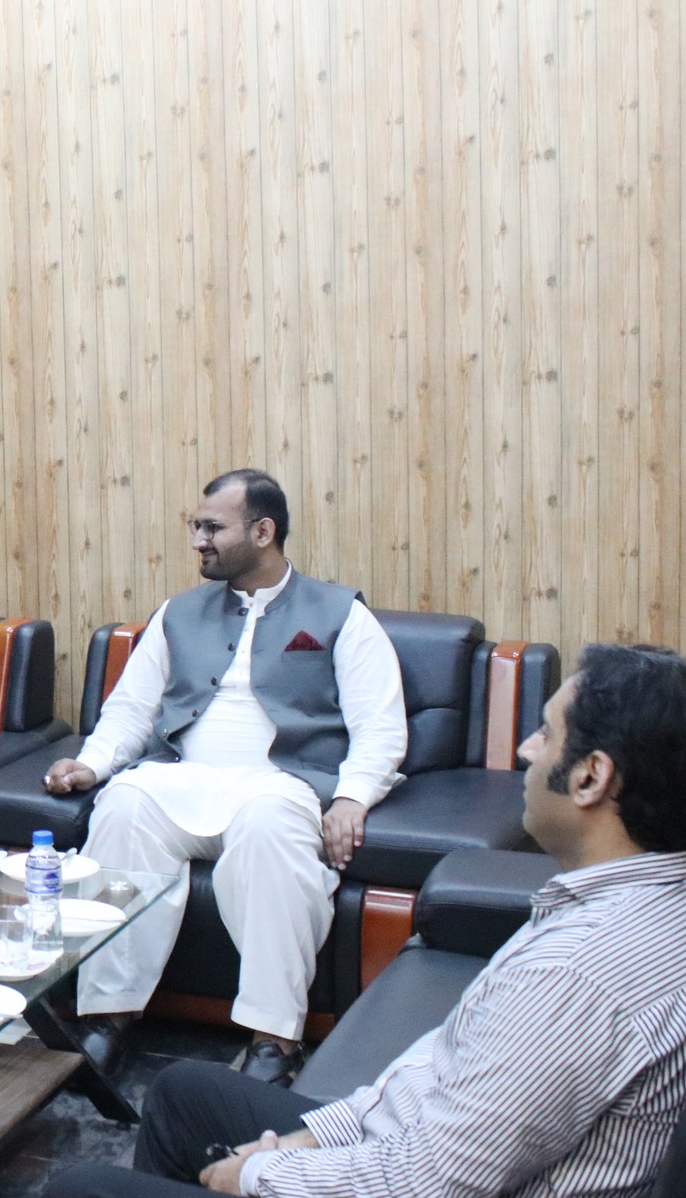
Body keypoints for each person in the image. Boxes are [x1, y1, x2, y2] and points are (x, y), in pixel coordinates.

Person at [46, 643, 686, 1197]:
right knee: (187, 1093)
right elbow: (433, 1079)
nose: (526, 749)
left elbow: (429, 1182)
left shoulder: (573, 980)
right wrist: (311, 1137)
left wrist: (259, 1175)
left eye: (545, 734)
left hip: (412, 1175)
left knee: (81, 1188)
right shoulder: (638, 905)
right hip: (406, 1140)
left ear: (591, 778)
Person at [43, 470, 407, 1083]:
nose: (198, 541)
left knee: (268, 828)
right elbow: (131, 709)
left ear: (263, 532)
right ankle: (106, 1019)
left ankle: (275, 1040)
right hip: (180, 775)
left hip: (281, 784)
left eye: (212, 528)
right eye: (196, 526)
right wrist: (93, 763)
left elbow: (380, 726)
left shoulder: (342, 614)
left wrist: (352, 797)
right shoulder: (177, 613)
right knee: (122, 804)